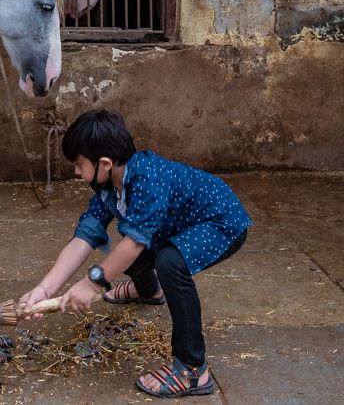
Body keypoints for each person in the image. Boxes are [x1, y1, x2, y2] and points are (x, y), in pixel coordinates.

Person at [18, 109, 251, 398]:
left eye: (78, 164)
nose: (76, 172)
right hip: (177, 226)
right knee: (125, 249)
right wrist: (44, 288)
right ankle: (149, 290)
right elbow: (84, 238)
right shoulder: (108, 186)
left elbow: (134, 244)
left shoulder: (147, 179)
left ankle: (193, 369)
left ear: (104, 163)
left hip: (220, 221)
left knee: (167, 262)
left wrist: (92, 284)